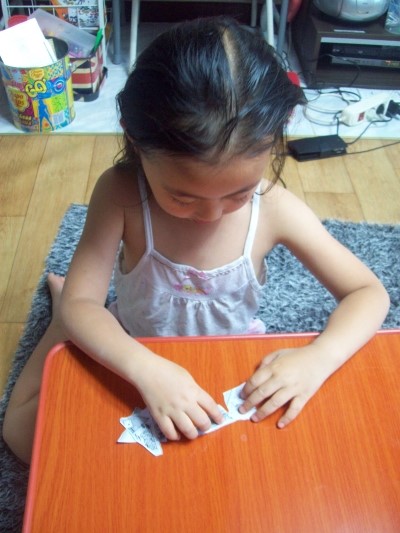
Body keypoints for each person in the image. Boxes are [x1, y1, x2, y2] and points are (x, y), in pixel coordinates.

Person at [3, 17, 389, 464]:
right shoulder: (121, 193)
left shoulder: (274, 208)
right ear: (135, 141)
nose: (211, 215)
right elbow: (83, 305)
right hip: (133, 346)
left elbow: (368, 293)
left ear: (272, 144)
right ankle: (59, 314)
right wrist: (144, 368)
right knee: (23, 433)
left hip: (228, 356)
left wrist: (318, 358)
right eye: (183, 197)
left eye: (238, 194)